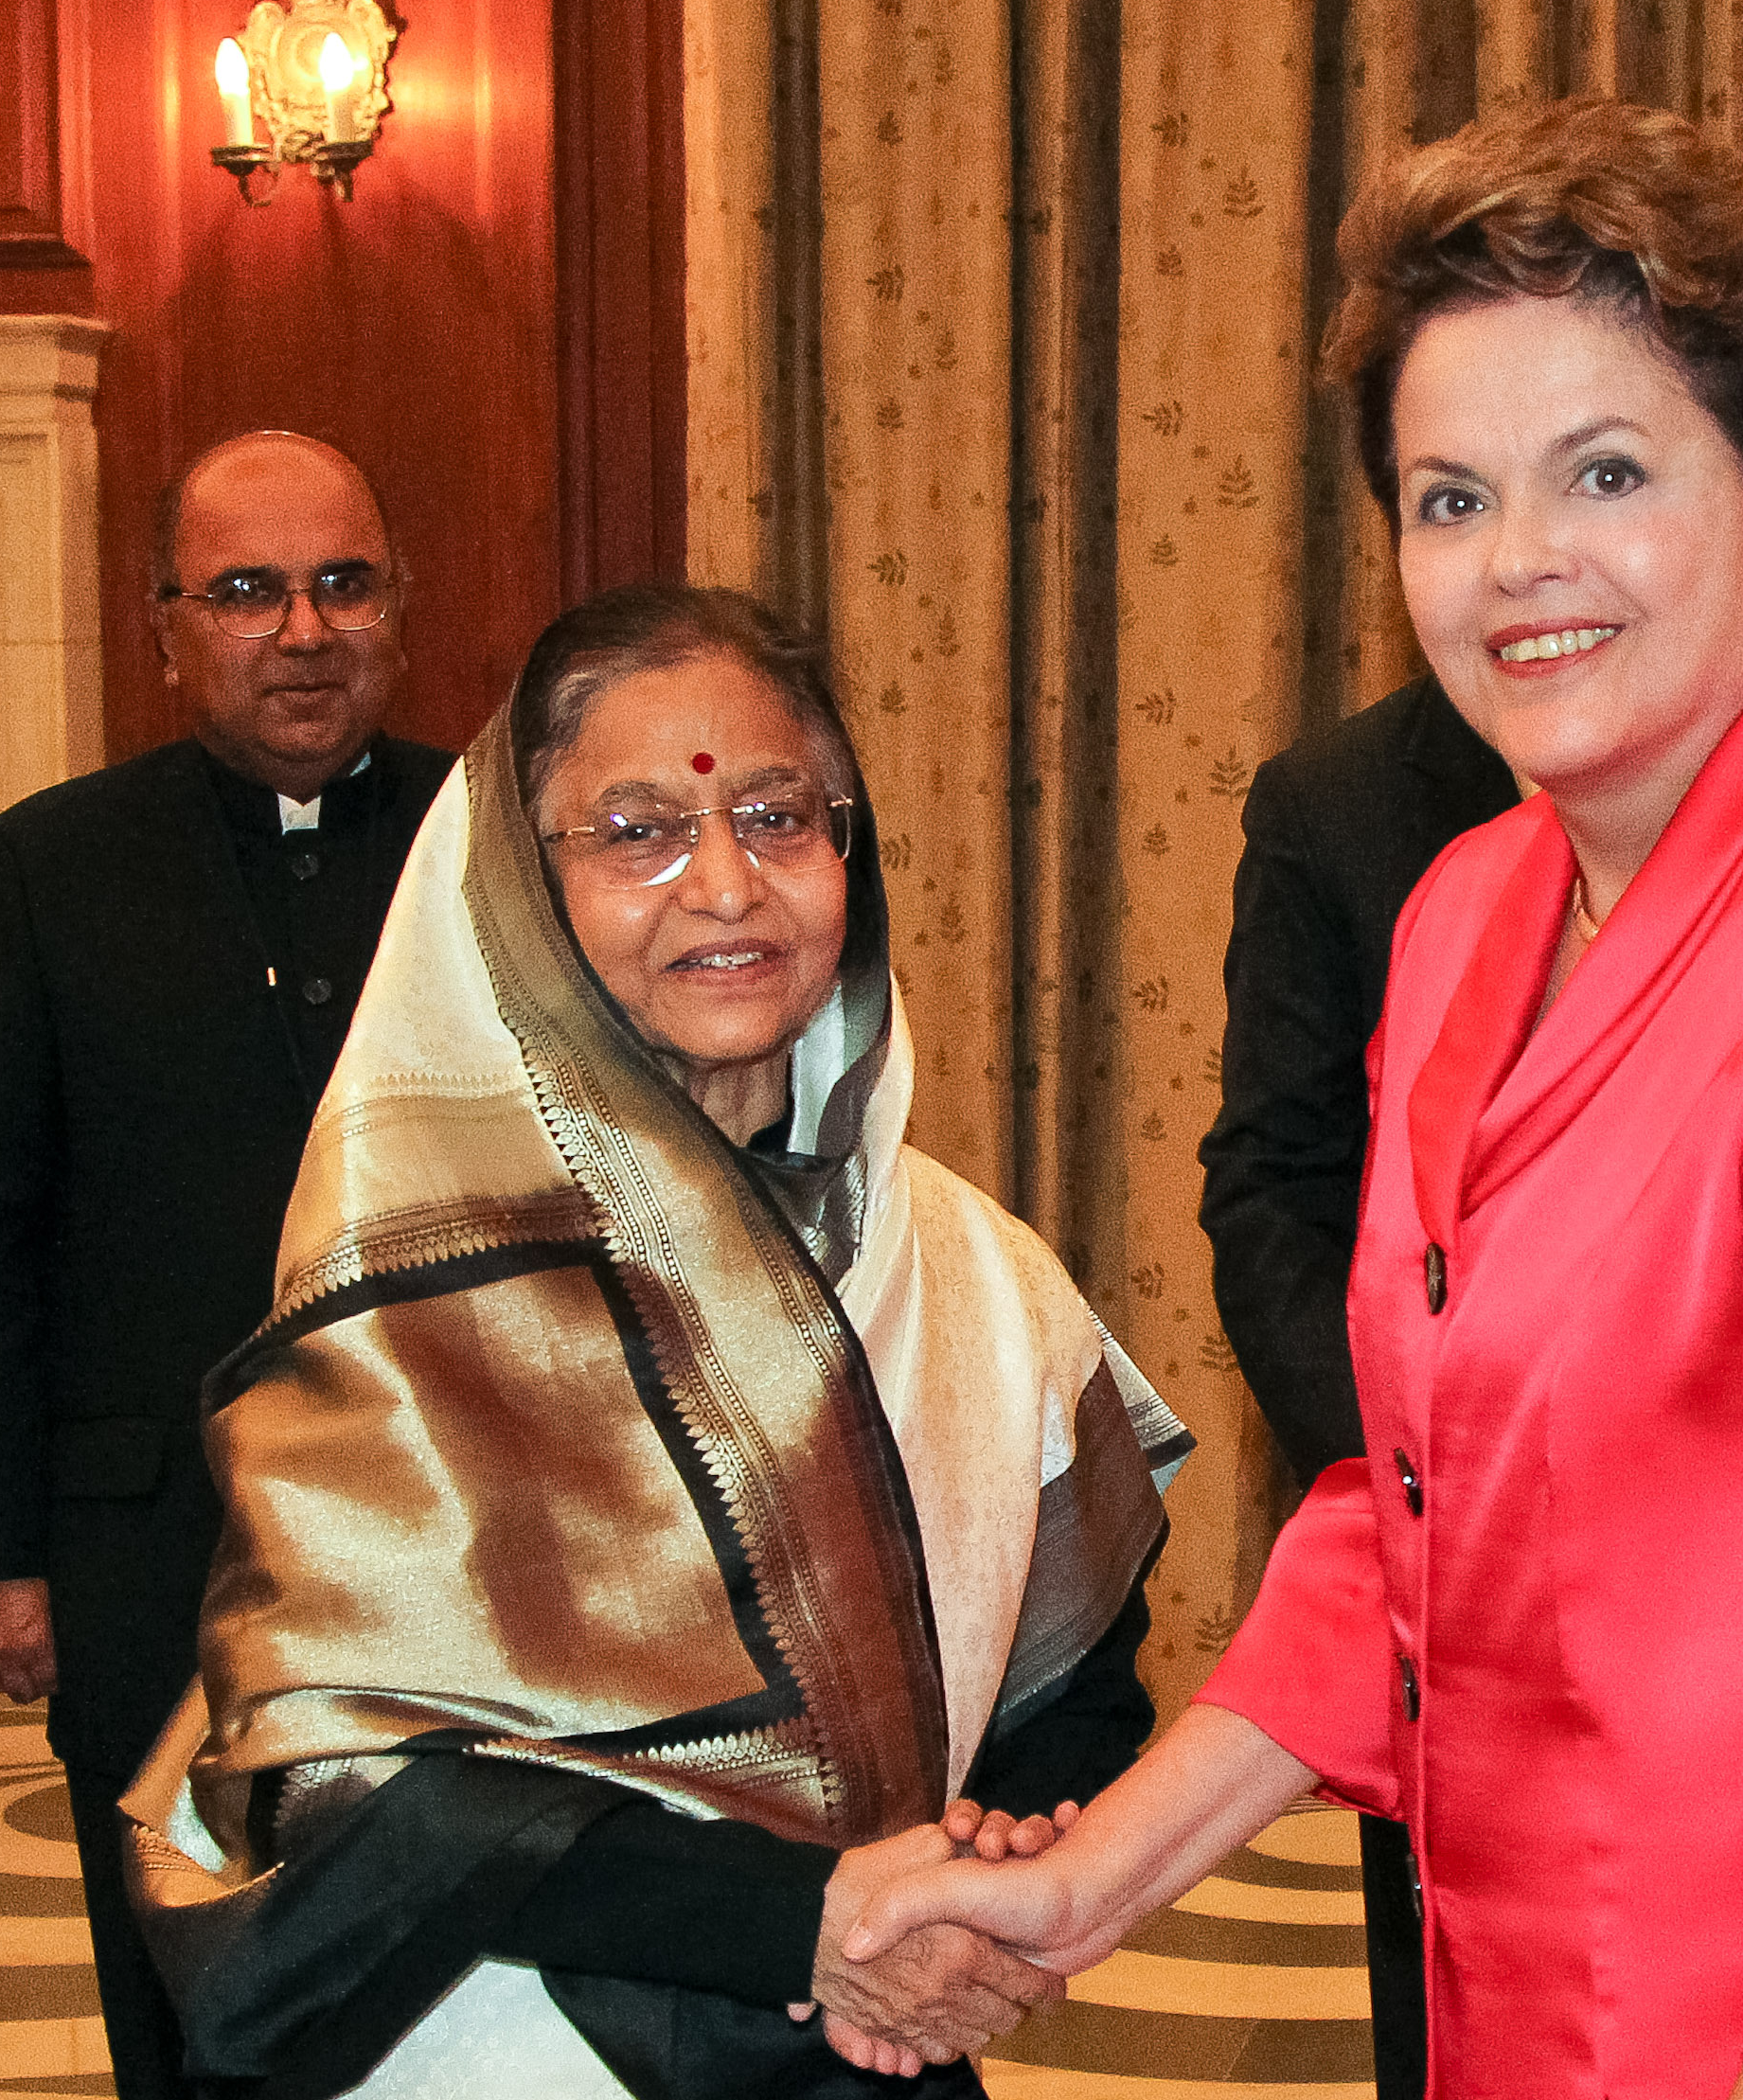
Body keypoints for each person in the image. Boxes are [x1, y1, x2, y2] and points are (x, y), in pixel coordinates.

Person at [850, 98, 1743, 2099]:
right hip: (1566, 1995)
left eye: (1605, 472)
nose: (1517, 562)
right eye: (1447, 496)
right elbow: (1420, 1505)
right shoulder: (1473, 911)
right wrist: (1097, 1875)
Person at [117, 586, 1191, 2095]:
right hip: (505, 2044)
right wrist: (803, 1921)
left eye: (778, 814)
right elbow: (348, 1785)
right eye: (636, 831)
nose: (725, 882)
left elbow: (1078, 1680)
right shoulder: (419, 1292)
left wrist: (981, 1880)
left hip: (863, 2041)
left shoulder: (968, 1268)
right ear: (516, 887)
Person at [0, 431, 455, 2099]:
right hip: (148, 1550)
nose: (301, 627)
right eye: (246, 590)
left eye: (341, 582)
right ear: (165, 623)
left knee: (448, 1981)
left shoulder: (494, 843)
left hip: (457, 1542)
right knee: (182, 1995)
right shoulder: (43, 871)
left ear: (400, 604)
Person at [1195, 670, 1515, 2100]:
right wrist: (1388, 1467)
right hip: (1432, 1539)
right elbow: (1276, 1177)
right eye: (1450, 500)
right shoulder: (1340, 803)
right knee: (1450, 2008)